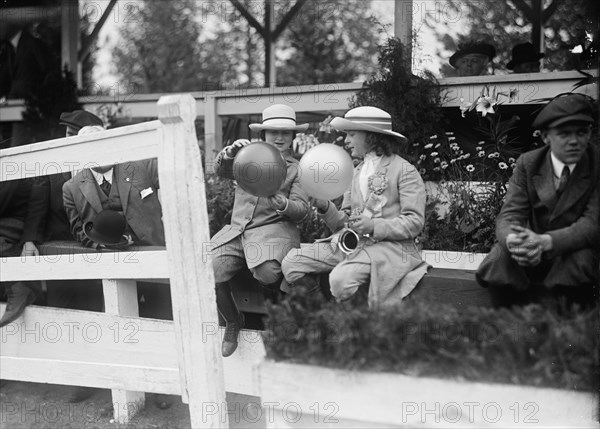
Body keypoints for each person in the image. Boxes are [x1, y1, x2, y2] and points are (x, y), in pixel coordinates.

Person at [62, 126, 175, 409]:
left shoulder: (143, 166)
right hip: (108, 258)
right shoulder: (72, 187)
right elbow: (79, 230)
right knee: (107, 320)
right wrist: (105, 246)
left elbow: (179, 171)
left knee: (158, 317)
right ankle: (101, 379)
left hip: (152, 252)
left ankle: (162, 385)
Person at [281, 106, 429, 308]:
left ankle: (349, 326)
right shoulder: (357, 171)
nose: (346, 140)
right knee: (292, 263)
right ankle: (323, 315)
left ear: (371, 136)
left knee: (340, 280)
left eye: (351, 134)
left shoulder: (405, 171)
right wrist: (324, 206)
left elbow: (414, 222)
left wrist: (373, 226)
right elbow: (345, 222)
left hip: (390, 249)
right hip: (352, 245)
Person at [476, 93, 599, 309]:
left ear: (589, 133)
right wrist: (515, 242)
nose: (574, 141)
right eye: (564, 133)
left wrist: (544, 242)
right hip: (531, 254)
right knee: (497, 260)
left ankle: (565, 333)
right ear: (545, 137)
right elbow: (510, 214)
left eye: (581, 132)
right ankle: (507, 327)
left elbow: (591, 225)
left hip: (572, 250)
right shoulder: (529, 163)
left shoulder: (596, 164)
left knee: (580, 262)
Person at [209, 104, 309, 357]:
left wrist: (285, 204)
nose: (279, 137)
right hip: (237, 231)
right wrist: (231, 152)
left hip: (274, 230)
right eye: (273, 131)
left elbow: (302, 210)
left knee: (267, 271)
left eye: (286, 133)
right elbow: (220, 171)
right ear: (263, 134)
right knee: (209, 269)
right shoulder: (248, 156)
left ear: (293, 136)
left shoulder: (297, 169)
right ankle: (233, 320)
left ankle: (281, 321)